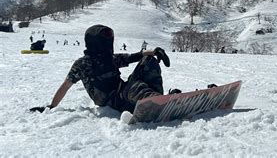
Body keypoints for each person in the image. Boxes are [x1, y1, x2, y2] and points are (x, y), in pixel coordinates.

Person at [30, 25, 176, 113]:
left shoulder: (110, 59)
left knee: (148, 61)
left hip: (123, 92)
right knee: (135, 87)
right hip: (111, 101)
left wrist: (155, 52)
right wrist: (52, 106)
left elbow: (134, 56)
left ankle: (157, 99)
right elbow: (65, 86)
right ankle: (158, 103)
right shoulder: (83, 64)